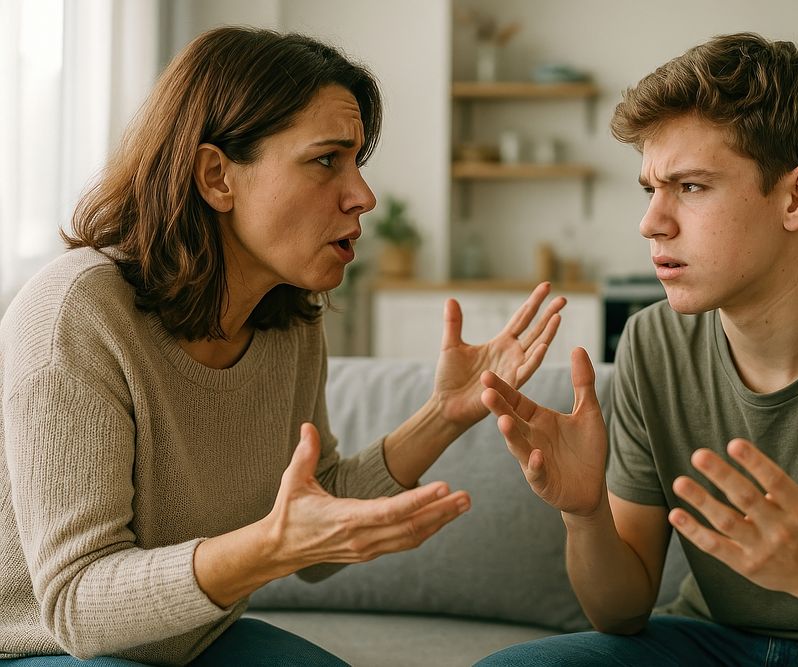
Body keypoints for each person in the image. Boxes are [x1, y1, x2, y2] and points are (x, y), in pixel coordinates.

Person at [0, 26, 566, 666]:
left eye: (358, 162)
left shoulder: (289, 318)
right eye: (327, 160)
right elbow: (80, 603)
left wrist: (445, 415)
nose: (364, 196)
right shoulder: (77, 312)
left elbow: (315, 506)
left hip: (191, 641)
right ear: (218, 176)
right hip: (40, 650)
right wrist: (272, 545)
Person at [477, 32, 798, 666]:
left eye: (691, 187)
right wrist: (586, 514)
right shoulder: (653, 342)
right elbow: (620, 612)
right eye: (650, 188)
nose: (651, 221)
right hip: (708, 643)